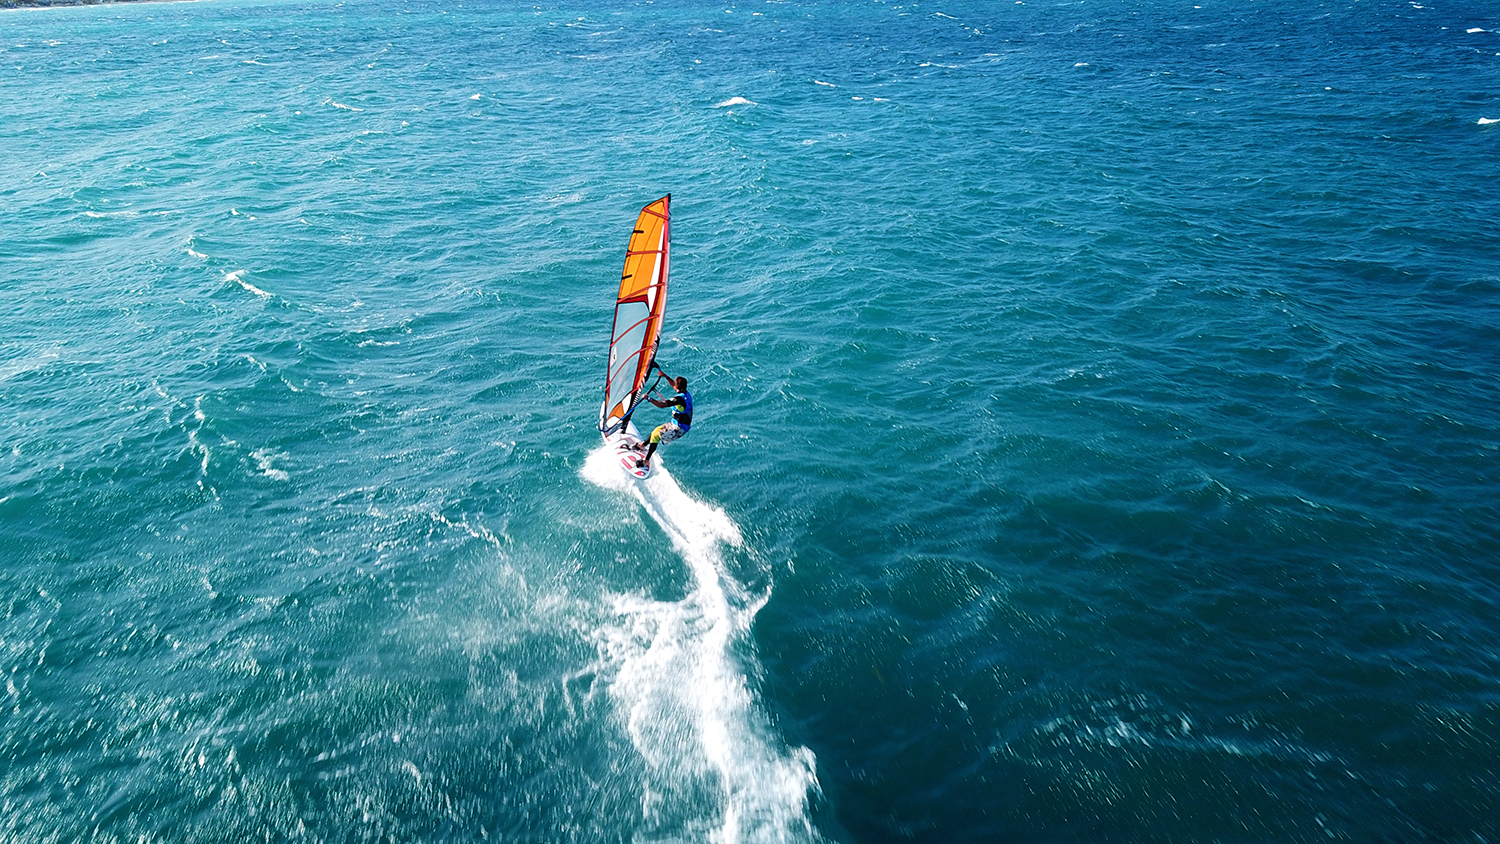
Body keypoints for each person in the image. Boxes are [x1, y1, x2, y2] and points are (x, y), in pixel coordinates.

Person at [635, 373, 692, 468]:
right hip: (677, 424)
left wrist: (648, 398)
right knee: (656, 430)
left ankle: (646, 461)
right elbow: (674, 385)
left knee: (656, 435)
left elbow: (662, 405)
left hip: (679, 429)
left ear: (677, 388)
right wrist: (665, 376)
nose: (674, 386)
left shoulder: (679, 399)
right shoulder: (686, 393)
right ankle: (643, 445)